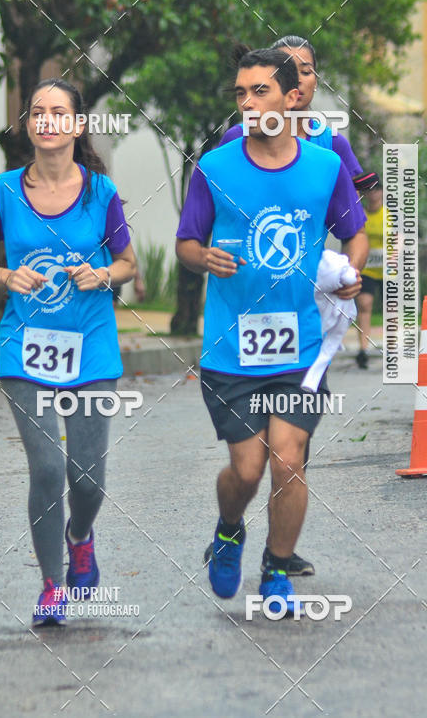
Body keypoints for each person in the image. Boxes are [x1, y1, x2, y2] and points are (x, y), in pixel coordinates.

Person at [176, 48, 368, 615]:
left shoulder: (324, 167)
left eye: (260, 90)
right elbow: (186, 242)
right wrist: (202, 257)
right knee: (247, 468)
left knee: (287, 459)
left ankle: (277, 568)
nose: (248, 102)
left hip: (300, 345)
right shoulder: (215, 167)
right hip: (231, 347)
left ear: (291, 97)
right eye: (240, 93)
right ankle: (229, 526)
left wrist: (350, 272)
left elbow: (353, 230)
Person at [0, 78, 137, 626]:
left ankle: (80, 535)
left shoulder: (101, 193)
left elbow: (129, 265)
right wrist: (6, 274)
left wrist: (103, 273)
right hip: (24, 351)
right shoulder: (4, 191)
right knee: (46, 468)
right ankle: (51, 586)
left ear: (78, 125)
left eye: (60, 112)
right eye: (38, 112)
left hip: (92, 349)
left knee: (86, 479)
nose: (48, 120)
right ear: (28, 125)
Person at [219, 35, 363, 181]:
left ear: (316, 82)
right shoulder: (236, 138)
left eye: (306, 72)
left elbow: (349, 202)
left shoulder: (334, 143)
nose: (297, 79)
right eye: (287, 72)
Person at [353, 172, 384, 369]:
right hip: (368, 269)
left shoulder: (390, 215)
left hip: (390, 270)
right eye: (369, 190)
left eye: (376, 190)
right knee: (364, 305)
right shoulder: (360, 214)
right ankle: (363, 349)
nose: (373, 194)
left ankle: (392, 348)